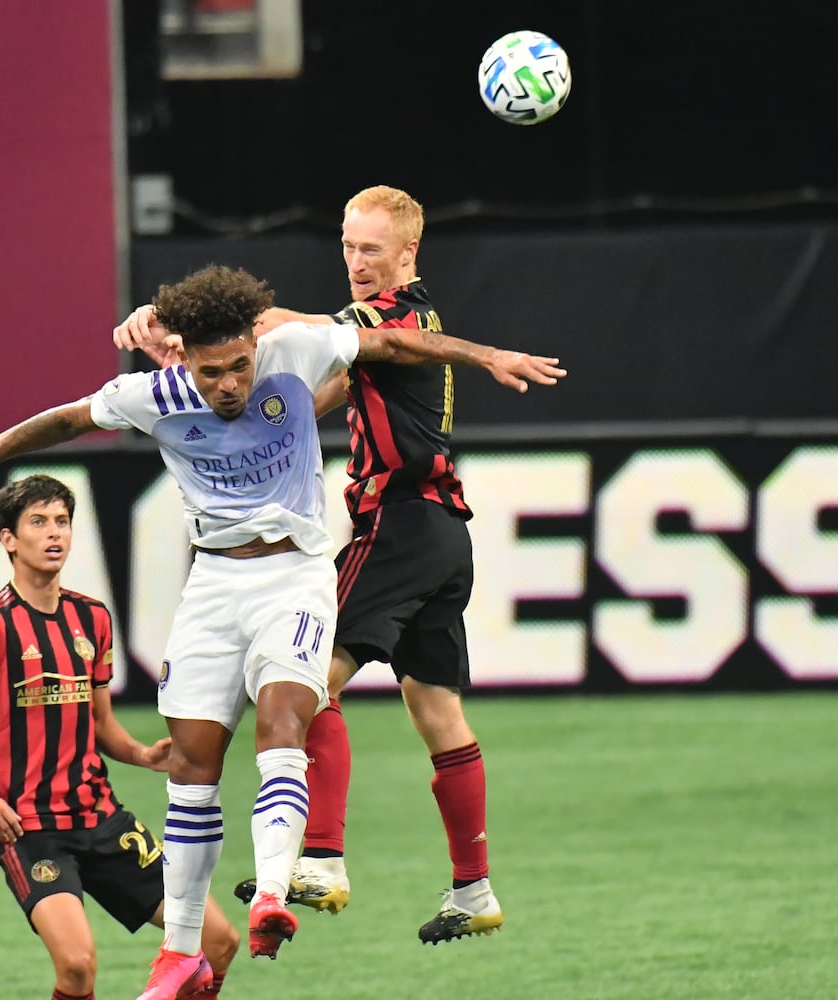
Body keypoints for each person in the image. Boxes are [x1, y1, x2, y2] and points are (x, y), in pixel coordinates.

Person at [0, 263, 559, 995]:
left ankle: (279, 892)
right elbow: (64, 418)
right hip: (214, 584)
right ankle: (180, 949)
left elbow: (400, 345)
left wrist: (488, 356)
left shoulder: (298, 351)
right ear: (181, 355)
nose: (228, 386)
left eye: (239, 367)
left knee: (286, 718)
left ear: (256, 343)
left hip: (295, 574)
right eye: (212, 371)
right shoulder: (150, 395)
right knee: (191, 766)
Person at [137, 185, 566, 945]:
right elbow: (321, 392)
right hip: (441, 533)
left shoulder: (395, 313)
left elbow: (285, 326)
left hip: (396, 524)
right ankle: (474, 889)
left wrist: (174, 321)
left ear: (408, 254)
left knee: (303, 676)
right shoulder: (394, 327)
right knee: (436, 712)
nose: (357, 263)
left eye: (372, 249)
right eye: (347, 247)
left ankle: (323, 858)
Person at [0, 473, 240, 1000]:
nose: (54, 533)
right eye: (38, 522)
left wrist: (140, 753)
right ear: (9, 539)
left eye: (62, 521)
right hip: (32, 830)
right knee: (79, 967)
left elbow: (101, 723)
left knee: (218, 941)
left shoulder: (93, 618)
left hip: (102, 819)